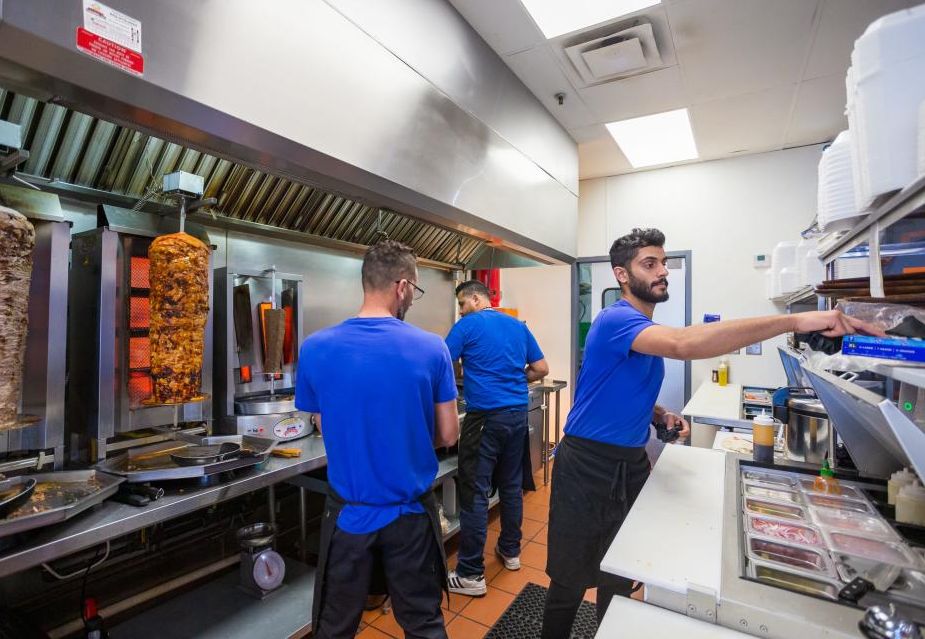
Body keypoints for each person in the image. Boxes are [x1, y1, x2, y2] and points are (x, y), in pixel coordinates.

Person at [540, 228, 884, 639]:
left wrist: (656, 415)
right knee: (570, 577)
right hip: (588, 464)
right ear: (621, 275)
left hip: (628, 461)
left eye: (663, 262)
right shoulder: (616, 318)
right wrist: (792, 320)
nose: (662, 271)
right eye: (649, 264)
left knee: (618, 569)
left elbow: (612, 385)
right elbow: (684, 344)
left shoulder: (642, 327)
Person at [296, 239, 460, 639]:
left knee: (334, 628)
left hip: (348, 517)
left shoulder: (315, 347)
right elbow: (448, 433)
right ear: (402, 287)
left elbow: (319, 420)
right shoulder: (431, 348)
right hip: (411, 517)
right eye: (416, 290)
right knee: (422, 623)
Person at [443, 280, 549, 597]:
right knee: (511, 486)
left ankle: (470, 573)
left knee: (475, 493)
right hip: (516, 415)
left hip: (485, 418)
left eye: (462, 304)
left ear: (476, 299)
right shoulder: (517, 325)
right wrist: (514, 378)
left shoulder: (466, 326)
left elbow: (440, 363)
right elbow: (541, 368)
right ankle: (511, 552)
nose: (460, 311)